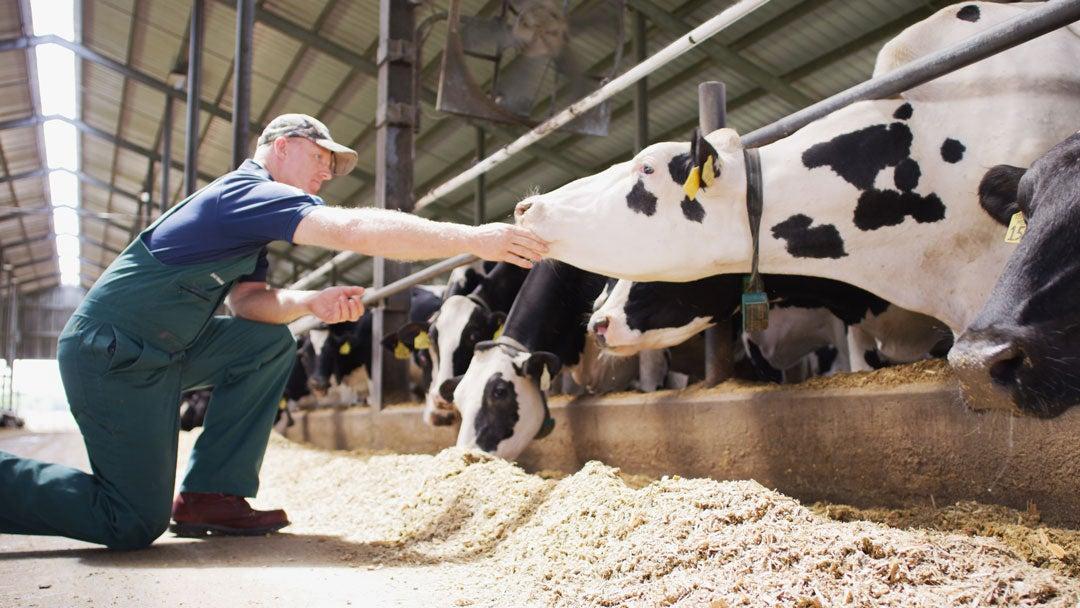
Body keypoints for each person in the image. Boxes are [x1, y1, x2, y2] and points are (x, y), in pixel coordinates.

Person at [0, 114, 548, 549]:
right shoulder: (243, 194)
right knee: (130, 523)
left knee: (268, 343)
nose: (326, 174)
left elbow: (249, 305)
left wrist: (309, 301)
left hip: (165, 353)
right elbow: (352, 228)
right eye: (320, 159)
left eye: (333, 168)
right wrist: (472, 237)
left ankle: (212, 492)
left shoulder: (251, 228)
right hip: (112, 355)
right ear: (283, 145)